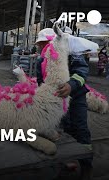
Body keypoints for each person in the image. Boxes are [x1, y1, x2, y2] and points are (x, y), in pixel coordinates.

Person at [35, 28, 92, 179]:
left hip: (76, 98)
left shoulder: (72, 55)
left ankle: (86, 165)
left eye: (44, 43)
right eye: (40, 45)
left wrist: (71, 85)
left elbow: (81, 73)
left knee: (80, 128)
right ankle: (67, 162)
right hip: (58, 101)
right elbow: (41, 81)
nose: (41, 47)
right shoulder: (41, 60)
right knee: (64, 129)